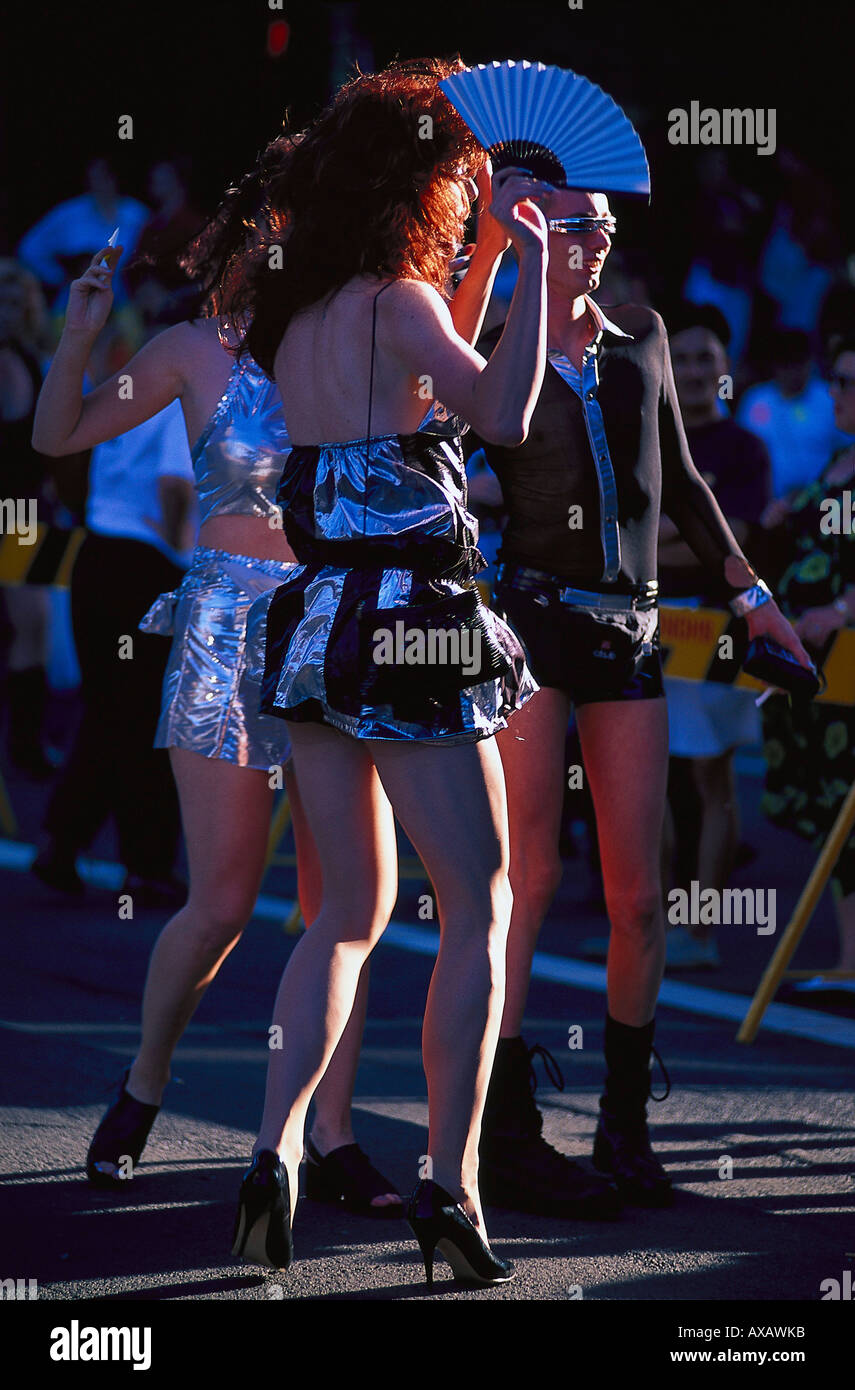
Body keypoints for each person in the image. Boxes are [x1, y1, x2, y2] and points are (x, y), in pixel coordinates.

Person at [31, 142, 406, 1215]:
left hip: (336, 618)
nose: (278, 248)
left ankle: (326, 1139)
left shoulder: (347, 339)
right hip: (227, 627)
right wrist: (81, 333)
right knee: (223, 902)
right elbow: (58, 433)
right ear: (234, 242)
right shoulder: (193, 349)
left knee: (347, 903)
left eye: (300, 232)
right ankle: (144, 1087)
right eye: (265, 230)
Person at [225, 58, 551, 1284]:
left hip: (317, 624)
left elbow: (422, 364)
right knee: (482, 899)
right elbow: (500, 413)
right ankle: (451, 1189)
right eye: (456, 181)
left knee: (342, 914)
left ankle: (275, 1155)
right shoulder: (399, 299)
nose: (469, 195)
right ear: (416, 187)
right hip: (414, 619)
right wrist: (522, 269)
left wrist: (481, 273)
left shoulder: (306, 313)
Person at [468, 186, 812, 1218]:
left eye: (606, 223)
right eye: (578, 223)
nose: (600, 236)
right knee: (527, 873)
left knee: (637, 895)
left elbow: (692, 485)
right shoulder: (496, 342)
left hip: (628, 628)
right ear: (535, 237)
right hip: (529, 622)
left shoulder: (645, 337)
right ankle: (505, 1123)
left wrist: (755, 597)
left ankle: (625, 1123)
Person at [658, 303, 774, 970]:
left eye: (707, 358)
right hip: (647, 627)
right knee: (646, 782)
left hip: (712, 630)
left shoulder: (743, 449)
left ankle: (699, 930)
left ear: (726, 369)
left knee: (710, 777)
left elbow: (737, 547)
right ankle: (653, 924)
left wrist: (672, 534)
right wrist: (697, 531)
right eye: (684, 357)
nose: (696, 371)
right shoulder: (646, 438)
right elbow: (630, 539)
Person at [759, 334, 855, 995]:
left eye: (849, 383)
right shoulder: (835, 466)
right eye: (836, 380)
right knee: (827, 810)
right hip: (814, 672)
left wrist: (842, 609)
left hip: (846, 663)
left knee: (846, 810)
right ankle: (847, 954)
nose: (837, 394)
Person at [0, 261, 57, 776]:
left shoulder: (35, 358)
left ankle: (27, 744)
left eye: (15, 302)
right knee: (25, 625)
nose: (7, 312)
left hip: (30, 510)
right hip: (11, 509)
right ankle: (24, 748)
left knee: (34, 626)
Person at [18, 157, 149, 315]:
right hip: (73, 307)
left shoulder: (137, 214)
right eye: (94, 178)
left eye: (104, 177)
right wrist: (59, 276)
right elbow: (30, 249)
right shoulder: (70, 214)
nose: (100, 184)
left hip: (123, 306)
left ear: (115, 179)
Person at [737, 329, 851, 498]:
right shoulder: (755, 399)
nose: (792, 372)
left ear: (809, 363)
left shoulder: (831, 397)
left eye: (798, 363)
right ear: (774, 365)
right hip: (764, 504)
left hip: (822, 504)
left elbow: (848, 451)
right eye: (786, 364)